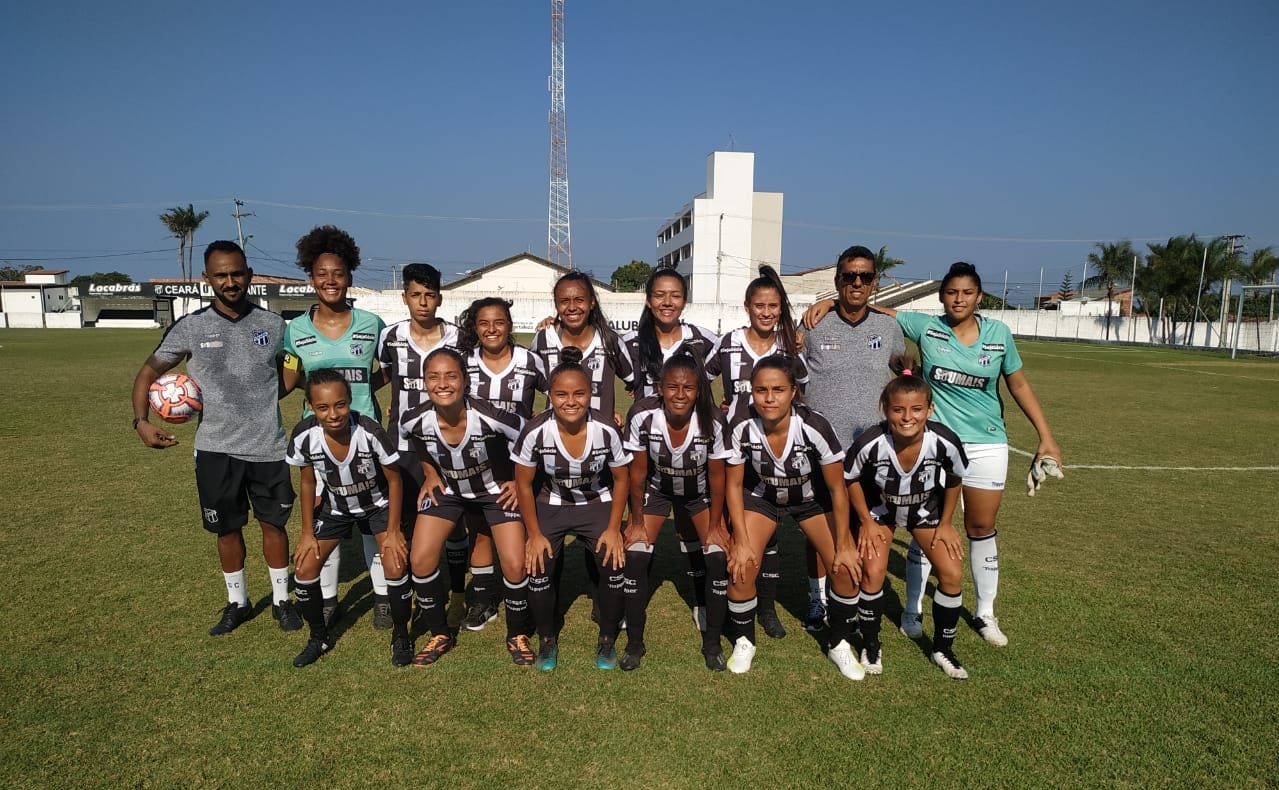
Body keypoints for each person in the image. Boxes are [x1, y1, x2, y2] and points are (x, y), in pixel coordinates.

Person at [804, 261, 1063, 646]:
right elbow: (874, 307)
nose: (959, 299)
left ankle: (985, 613)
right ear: (942, 297)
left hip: (986, 441)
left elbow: (1019, 384)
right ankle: (911, 610)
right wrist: (827, 302)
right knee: (922, 521)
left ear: (979, 297)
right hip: (929, 443)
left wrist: (1046, 437)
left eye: (967, 293)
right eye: (952, 292)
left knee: (979, 528)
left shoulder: (998, 334)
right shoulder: (926, 326)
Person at [131, 240, 301, 636]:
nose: (230, 281)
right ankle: (237, 603)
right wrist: (140, 421)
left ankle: (282, 601)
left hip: (267, 446)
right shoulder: (191, 327)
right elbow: (146, 374)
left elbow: (292, 367)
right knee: (226, 528)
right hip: (214, 449)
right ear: (207, 278)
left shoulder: (274, 326)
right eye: (221, 275)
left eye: (237, 273)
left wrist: (267, 394)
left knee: (273, 525)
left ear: (250, 276)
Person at [723, 355, 864, 679]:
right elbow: (733, 485)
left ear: (793, 392)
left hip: (810, 501)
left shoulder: (815, 426)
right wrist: (741, 541)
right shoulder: (742, 424)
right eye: (761, 390)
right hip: (762, 497)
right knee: (741, 568)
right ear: (751, 392)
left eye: (778, 390)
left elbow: (837, 489)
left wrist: (844, 543)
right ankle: (745, 641)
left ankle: (839, 642)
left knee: (844, 569)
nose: (769, 398)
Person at [281, 225, 390, 630]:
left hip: (366, 437)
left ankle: (382, 597)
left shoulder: (371, 323)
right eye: (321, 273)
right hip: (320, 441)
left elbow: (388, 371)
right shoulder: (295, 332)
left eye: (338, 273)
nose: (330, 280)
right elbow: (288, 381)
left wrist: (362, 390)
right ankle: (328, 600)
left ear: (349, 277)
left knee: (370, 518)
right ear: (311, 278)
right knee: (326, 515)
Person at [399, 348, 535, 667]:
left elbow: (531, 436)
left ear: (465, 380)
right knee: (419, 560)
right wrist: (430, 471)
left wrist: (518, 481)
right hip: (449, 492)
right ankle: (439, 633)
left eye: (451, 376)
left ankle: (517, 634)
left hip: (493, 492)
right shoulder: (413, 418)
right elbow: (413, 437)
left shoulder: (490, 415)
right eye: (433, 377)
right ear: (424, 382)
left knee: (515, 564)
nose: (442, 384)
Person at [795, 246, 905, 632]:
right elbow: (791, 373)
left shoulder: (889, 329)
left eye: (865, 276)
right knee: (821, 529)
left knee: (862, 529)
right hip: (821, 450)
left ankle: (854, 600)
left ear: (874, 282)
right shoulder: (812, 325)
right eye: (848, 276)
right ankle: (816, 600)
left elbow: (905, 368)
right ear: (837, 280)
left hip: (874, 451)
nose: (856, 283)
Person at [844, 357, 970, 678]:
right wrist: (866, 522)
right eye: (898, 409)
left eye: (916, 410)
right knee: (872, 573)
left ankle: (943, 649)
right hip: (881, 514)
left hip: (925, 513)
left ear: (929, 410)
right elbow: (850, 479)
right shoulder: (871, 442)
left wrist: (946, 522)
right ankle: (871, 645)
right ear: (885, 408)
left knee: (952, 572)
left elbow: (955, 478)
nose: (907, 417)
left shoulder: (943, 441)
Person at [705, 265, 808, 639]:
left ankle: (766, 607)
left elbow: (803, 390)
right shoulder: (730, 341)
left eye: (773, 306)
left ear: (780, 308)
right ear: (747, 306)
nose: (766, 312)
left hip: (775, 453)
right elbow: (702, 378)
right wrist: (718, 414)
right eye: (759, 305)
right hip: (736, 452)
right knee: (740, 530)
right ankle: (738, 604)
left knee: (772, 534)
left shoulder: (789, 347)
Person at [513, 348, 632, 671]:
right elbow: (524, 484)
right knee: (537, 569)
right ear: (549, 395)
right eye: (561, 394)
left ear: (590, 393)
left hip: (597, 504)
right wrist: (534, 534)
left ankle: (607, 638)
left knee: (614, 564)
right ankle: (547, 639)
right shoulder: (535, 431)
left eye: (579, 393)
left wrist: (613, 528)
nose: (570, 401)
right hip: (550, 505)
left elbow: (622, 479)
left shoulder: (606, 430)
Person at [285, 370, 407, 667]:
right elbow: (307, 483)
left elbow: (394, 481)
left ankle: (402, 635)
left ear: (350, 402)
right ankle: (318, 637)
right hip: (335, 509)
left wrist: (393, 530)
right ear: (310, 406)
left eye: (340, 405)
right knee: (304, 569)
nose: (334, 414)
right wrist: (306, 533)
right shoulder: (304, 435)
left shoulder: (369, 431)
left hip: (376, 506)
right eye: (323, 407)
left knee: (395, 563)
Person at [621, 267, 720, 631]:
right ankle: (627, 604)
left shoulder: (704, 341)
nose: (667, 302)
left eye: (675, 295)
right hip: (647, 446)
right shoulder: (630, 343)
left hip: (691, 445)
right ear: (648, 300)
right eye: (659, 295)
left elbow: (746, 358)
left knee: (689, 528)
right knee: (639, 530)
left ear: (684, 300)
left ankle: (700, 600)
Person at [621, 350, 733, 671]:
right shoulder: (643, 415)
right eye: (672, 387)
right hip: (657, 493)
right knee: (636, 554)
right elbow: (638, 474)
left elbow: (717, 477)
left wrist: (715, 526)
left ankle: (712, 644)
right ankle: (634, 643)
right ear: (659, 388)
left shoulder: (712, 419)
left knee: (716, 556)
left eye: (688, 388)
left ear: (698, 390)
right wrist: (637, 522)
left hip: (698, 495)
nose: (680, 395)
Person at [376, 263, 469, 621]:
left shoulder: (459, 338)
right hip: (403, 444)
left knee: (455, 520)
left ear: (440, 298)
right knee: (409, 518)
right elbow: (386, 376)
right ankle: (418, 591)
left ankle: (459, 592)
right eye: (416, 295)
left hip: (449, 445)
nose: (423, 302)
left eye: (430, 295)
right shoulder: (392, 336)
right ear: (405, 297)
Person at [454, 297, 546, 630]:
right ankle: (482, 600)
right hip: (473, 464)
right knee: (479, 534)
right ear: (475, 327)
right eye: (484, 323)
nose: (492, 329)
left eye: (499, 322)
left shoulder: (530, 361)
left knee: (516, 538)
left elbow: (559, 397)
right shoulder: (462, 362)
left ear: (509, 325)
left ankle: (524, 602)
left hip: (518, 467)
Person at [530, 270, 634, 427]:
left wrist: (607, 412)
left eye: (579, 300)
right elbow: (526, 378)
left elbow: (636, 383)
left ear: (592, 302)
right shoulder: (544, 338)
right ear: (556, 304)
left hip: (600, 441)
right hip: (554, 437)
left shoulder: (610, 340)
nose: (572, 307)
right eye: (564, 301)